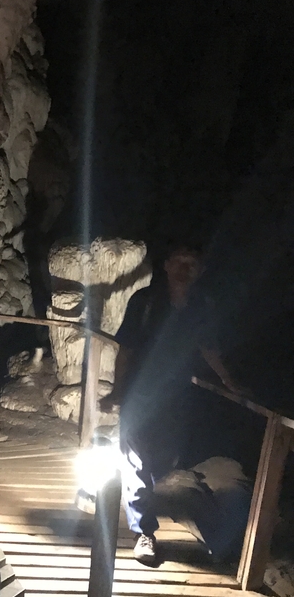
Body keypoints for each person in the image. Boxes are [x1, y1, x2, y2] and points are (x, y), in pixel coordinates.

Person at [100, 243, 243, 566]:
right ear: (166, 266)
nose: (184, 269)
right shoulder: (145, 301)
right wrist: (118, 390)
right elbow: (127, 349)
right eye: (179, 262)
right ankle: (144, 532)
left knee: (165, 461)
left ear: (200, 271)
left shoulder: (201, 306)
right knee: (136, 463)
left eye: (191, 264)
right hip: (140, 393)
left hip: (177, 398)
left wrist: (229, 381)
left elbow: (209, 347)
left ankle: (154, 507)